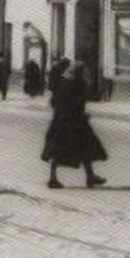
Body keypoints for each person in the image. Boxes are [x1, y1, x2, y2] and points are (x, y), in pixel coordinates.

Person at [41, 60, 108, 189]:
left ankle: (54, 178)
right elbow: (79, 101)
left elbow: (54, 101)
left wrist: (60, 112)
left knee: (59, 150)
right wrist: (79, 114)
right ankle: (89, 177)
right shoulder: (78, 83)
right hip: (76, 122)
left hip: (60, 120)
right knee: (85, 148)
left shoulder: (62, 82)